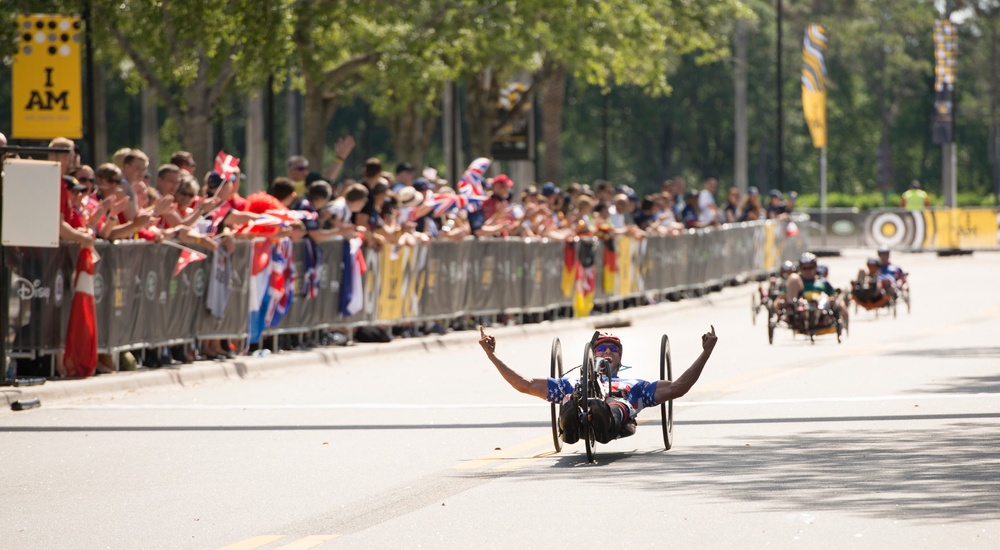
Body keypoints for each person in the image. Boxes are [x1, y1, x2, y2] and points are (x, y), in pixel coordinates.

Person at [478, 327, 718, 445]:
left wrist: (705, 353)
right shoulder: (569, 381)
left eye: (613, 349)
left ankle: (603, 417)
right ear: (591, 356)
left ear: (620, 359)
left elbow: (678, 388)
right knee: (572, 399)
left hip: (616, 414)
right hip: (578, 404)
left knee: (615, 405)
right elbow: (524, 384)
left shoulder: (636, 384)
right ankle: (572, 422)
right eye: (601, 348)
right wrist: (492, 355)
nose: (607, 352)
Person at [785, 252, 849, 329]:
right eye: (804, 268)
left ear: (815, 267)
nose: (807, 271)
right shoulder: (797, 280)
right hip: (802, 302)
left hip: (820, 304)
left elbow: (834, 295)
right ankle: (803, 314)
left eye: (810, 268)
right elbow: (783, 295)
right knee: (793, 277)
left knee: (825, 297)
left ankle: (816, 314)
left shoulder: (823, 281)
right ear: (800, 269)